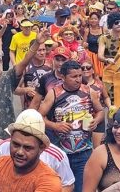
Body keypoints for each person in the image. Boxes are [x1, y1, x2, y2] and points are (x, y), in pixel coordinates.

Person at [39, 60, 104, 192]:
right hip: (61, 152)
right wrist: (55, 126)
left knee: (82, 189)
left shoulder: (89, 91)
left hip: (84, 151)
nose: (78, 79)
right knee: (62, 188)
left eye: (80, 76)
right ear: (63, 77)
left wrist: (95, 121)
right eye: (74, 76)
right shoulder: (54, 93)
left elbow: (101, 111)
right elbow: (39, 116)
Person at [0, 109, 61, 191]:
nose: (20, 152)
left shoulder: (49, 182)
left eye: (28, 147)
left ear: (41, 148)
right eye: (16, 144)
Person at [14, 40, 51, 109]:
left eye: (44, 50)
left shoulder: (51, 65)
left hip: (48, 108)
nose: (42, 53)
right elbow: (14, 89)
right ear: (33, 51)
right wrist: (26, 90)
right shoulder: (25, 67)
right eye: (39, 50)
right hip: (31, 109)